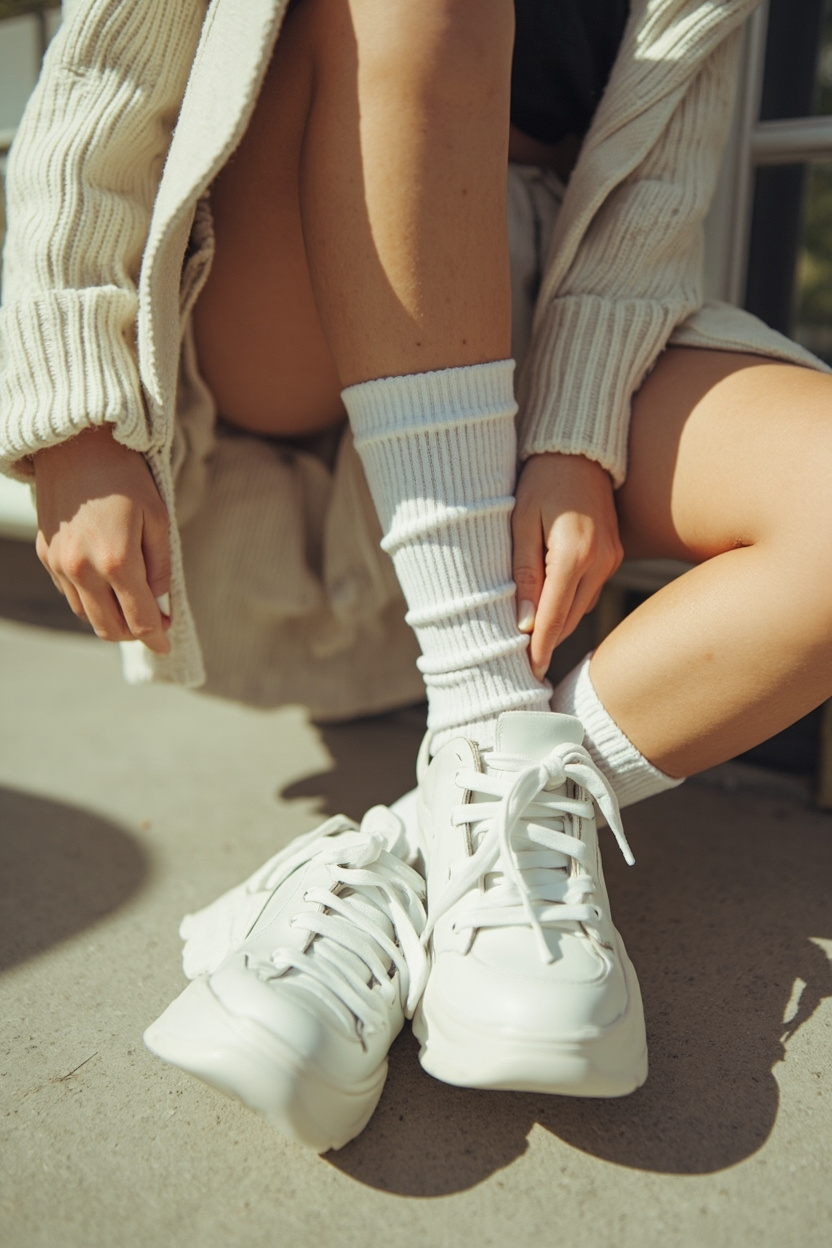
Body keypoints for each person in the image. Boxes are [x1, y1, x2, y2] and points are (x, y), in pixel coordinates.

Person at [2, 0, 831, 1151]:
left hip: (566, 287)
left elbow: (661, 181)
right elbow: (102, 67)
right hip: (298, 255)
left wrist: (577, 431)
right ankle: (487, 715)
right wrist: (72, 409)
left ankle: (402, 852)